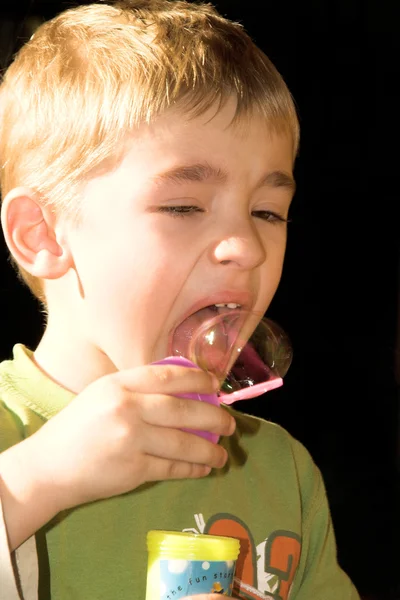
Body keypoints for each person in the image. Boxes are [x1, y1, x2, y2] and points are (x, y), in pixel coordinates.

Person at [0, 1, 360, 598]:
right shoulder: (15, 451)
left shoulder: (278, 471)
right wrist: (30, 486)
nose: (246, 246)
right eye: (184, 207)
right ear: (44, 234)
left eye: (268, 212)